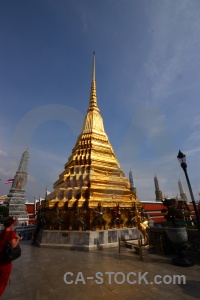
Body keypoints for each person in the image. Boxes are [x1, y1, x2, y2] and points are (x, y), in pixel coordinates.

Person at [0, 216, 20, 296]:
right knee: (3, 282)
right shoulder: (11, 234)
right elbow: (14, 245)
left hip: (0, 258)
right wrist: (18, 238)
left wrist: (15, 219)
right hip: (5, 262)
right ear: (11, 224)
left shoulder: (1, 233)